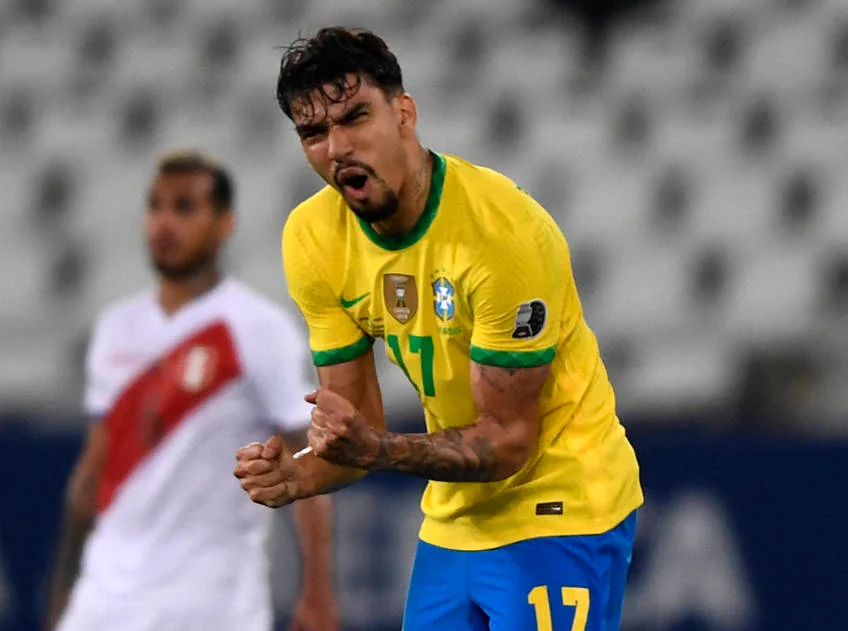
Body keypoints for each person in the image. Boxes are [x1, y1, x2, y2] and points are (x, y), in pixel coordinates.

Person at [233, 27, 643, 631]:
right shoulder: (313, 238)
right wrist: (300, 472)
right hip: (454, 517)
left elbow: (506, 441)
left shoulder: (503, 236)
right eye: (314, 133)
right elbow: (356, 433)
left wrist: (375, 448)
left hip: (560, 504)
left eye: (354, 117)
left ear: (405, 113)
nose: (337, 147)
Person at [47, 151, 339, 631]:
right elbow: (94, 470)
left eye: (184, 207)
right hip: (106, 597)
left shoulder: (256, 329)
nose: (164, 223)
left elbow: (307, 468)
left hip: (210, 599)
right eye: (155, 206)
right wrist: (62, 593)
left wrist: (319, 593)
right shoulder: (116, 329)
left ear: (225, 223)